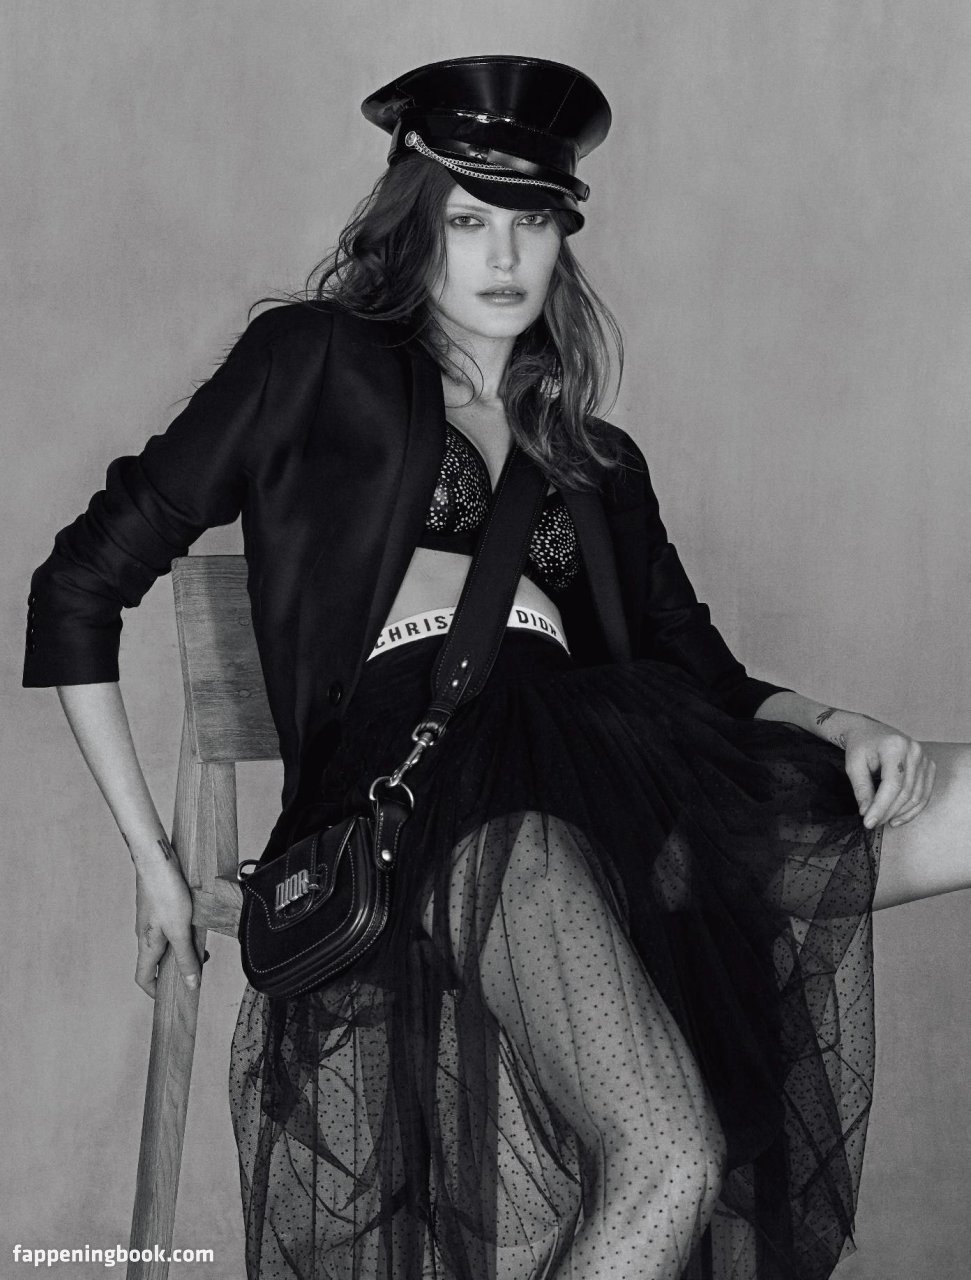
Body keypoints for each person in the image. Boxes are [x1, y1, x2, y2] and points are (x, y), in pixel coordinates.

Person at [22, 53, 971, 1280]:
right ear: (413, 222)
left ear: (564, 235)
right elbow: (78, 584)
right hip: (447, 796)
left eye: (533, 221)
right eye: (470, 221)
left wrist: (836, 720)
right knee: (666, 1158)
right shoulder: (308, 361)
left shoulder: (594, 454)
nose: (504, 255)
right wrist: (154, 863)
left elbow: (700, 669)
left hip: (625, 766)